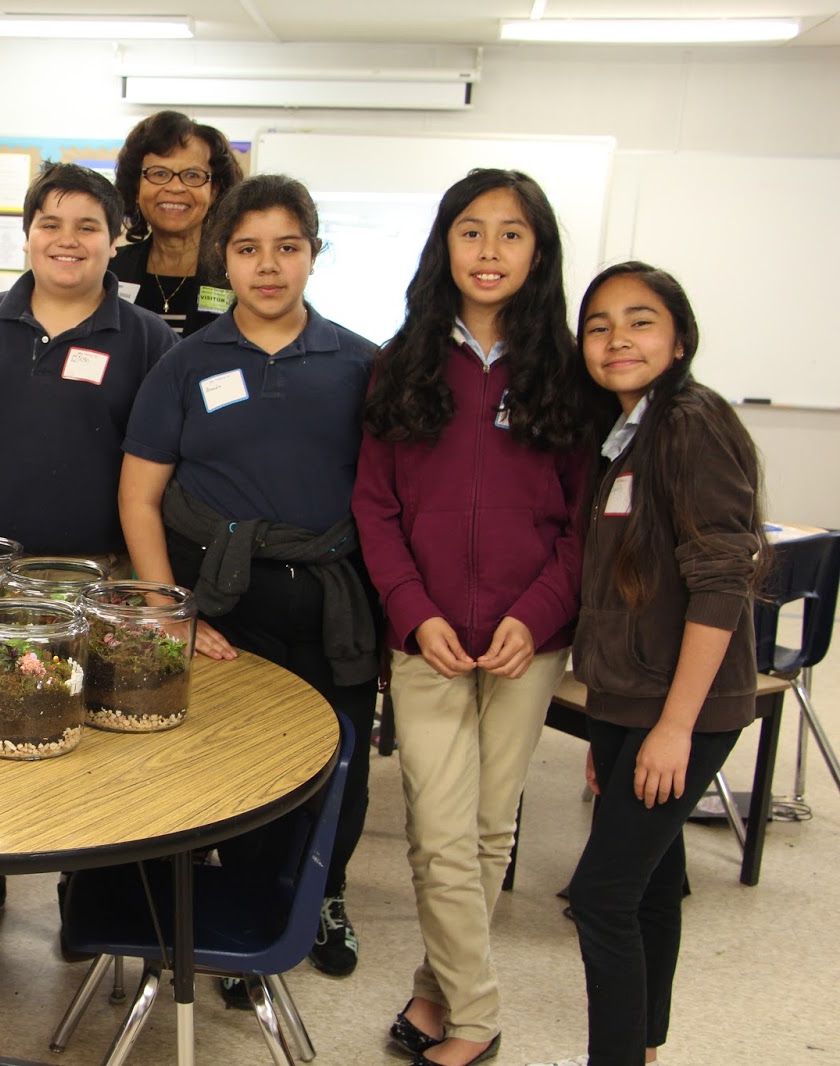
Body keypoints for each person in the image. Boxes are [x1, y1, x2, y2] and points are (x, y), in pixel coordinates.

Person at [351, 169, 591, 1066]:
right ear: (444, 246)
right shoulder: (401, 360)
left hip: (530, 645)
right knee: (439, 831)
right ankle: (480, 1017)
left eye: (511, 234)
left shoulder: (567, 369)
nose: (489, 252)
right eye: (471, 232)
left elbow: (581, 520)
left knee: (490, 830)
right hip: (431, 643)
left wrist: (538, 614)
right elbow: (374, 507)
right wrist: (412, 614)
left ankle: (432, 990)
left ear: (539, 251)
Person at [118, 173, 380, 992]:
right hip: (223, 599)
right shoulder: (184, 363)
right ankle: (240, 905)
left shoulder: (363, 365)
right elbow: (139, 496)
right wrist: (172, 614)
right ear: (221, 259)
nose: (268, 267)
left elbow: (392, 499)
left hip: (335, 601)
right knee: (240, 767)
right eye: (248, 249)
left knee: (341, 762)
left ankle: (324, 894)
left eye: (287, 248)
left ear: (313, 254)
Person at [528, 264, 767, 1066]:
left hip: (685, 708)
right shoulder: (624, 430)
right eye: (599, 325)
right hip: (629, 701)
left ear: (680, 339)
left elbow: (723, 576)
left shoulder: (691, 424)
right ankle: (646, 1049)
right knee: (653, 884)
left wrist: (673, 726)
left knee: (600, 897)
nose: (618, 339)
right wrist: (615, 727)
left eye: (641, 321)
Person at [0, 162, 177, 943]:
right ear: (26, 234)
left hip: (98, 577)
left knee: (94, 740)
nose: (66, 241)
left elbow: (163, 469)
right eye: (50, 224)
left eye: (87, 227)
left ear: (117, 241)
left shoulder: (150, 341)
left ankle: (90, 899)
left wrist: (149, 584)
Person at [111, 109, 243, 337]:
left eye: (192, 175)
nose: (175, 187)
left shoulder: (237, 273)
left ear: (214, 191)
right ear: (136, 188)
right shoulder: (109, 271)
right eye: (159, 173)